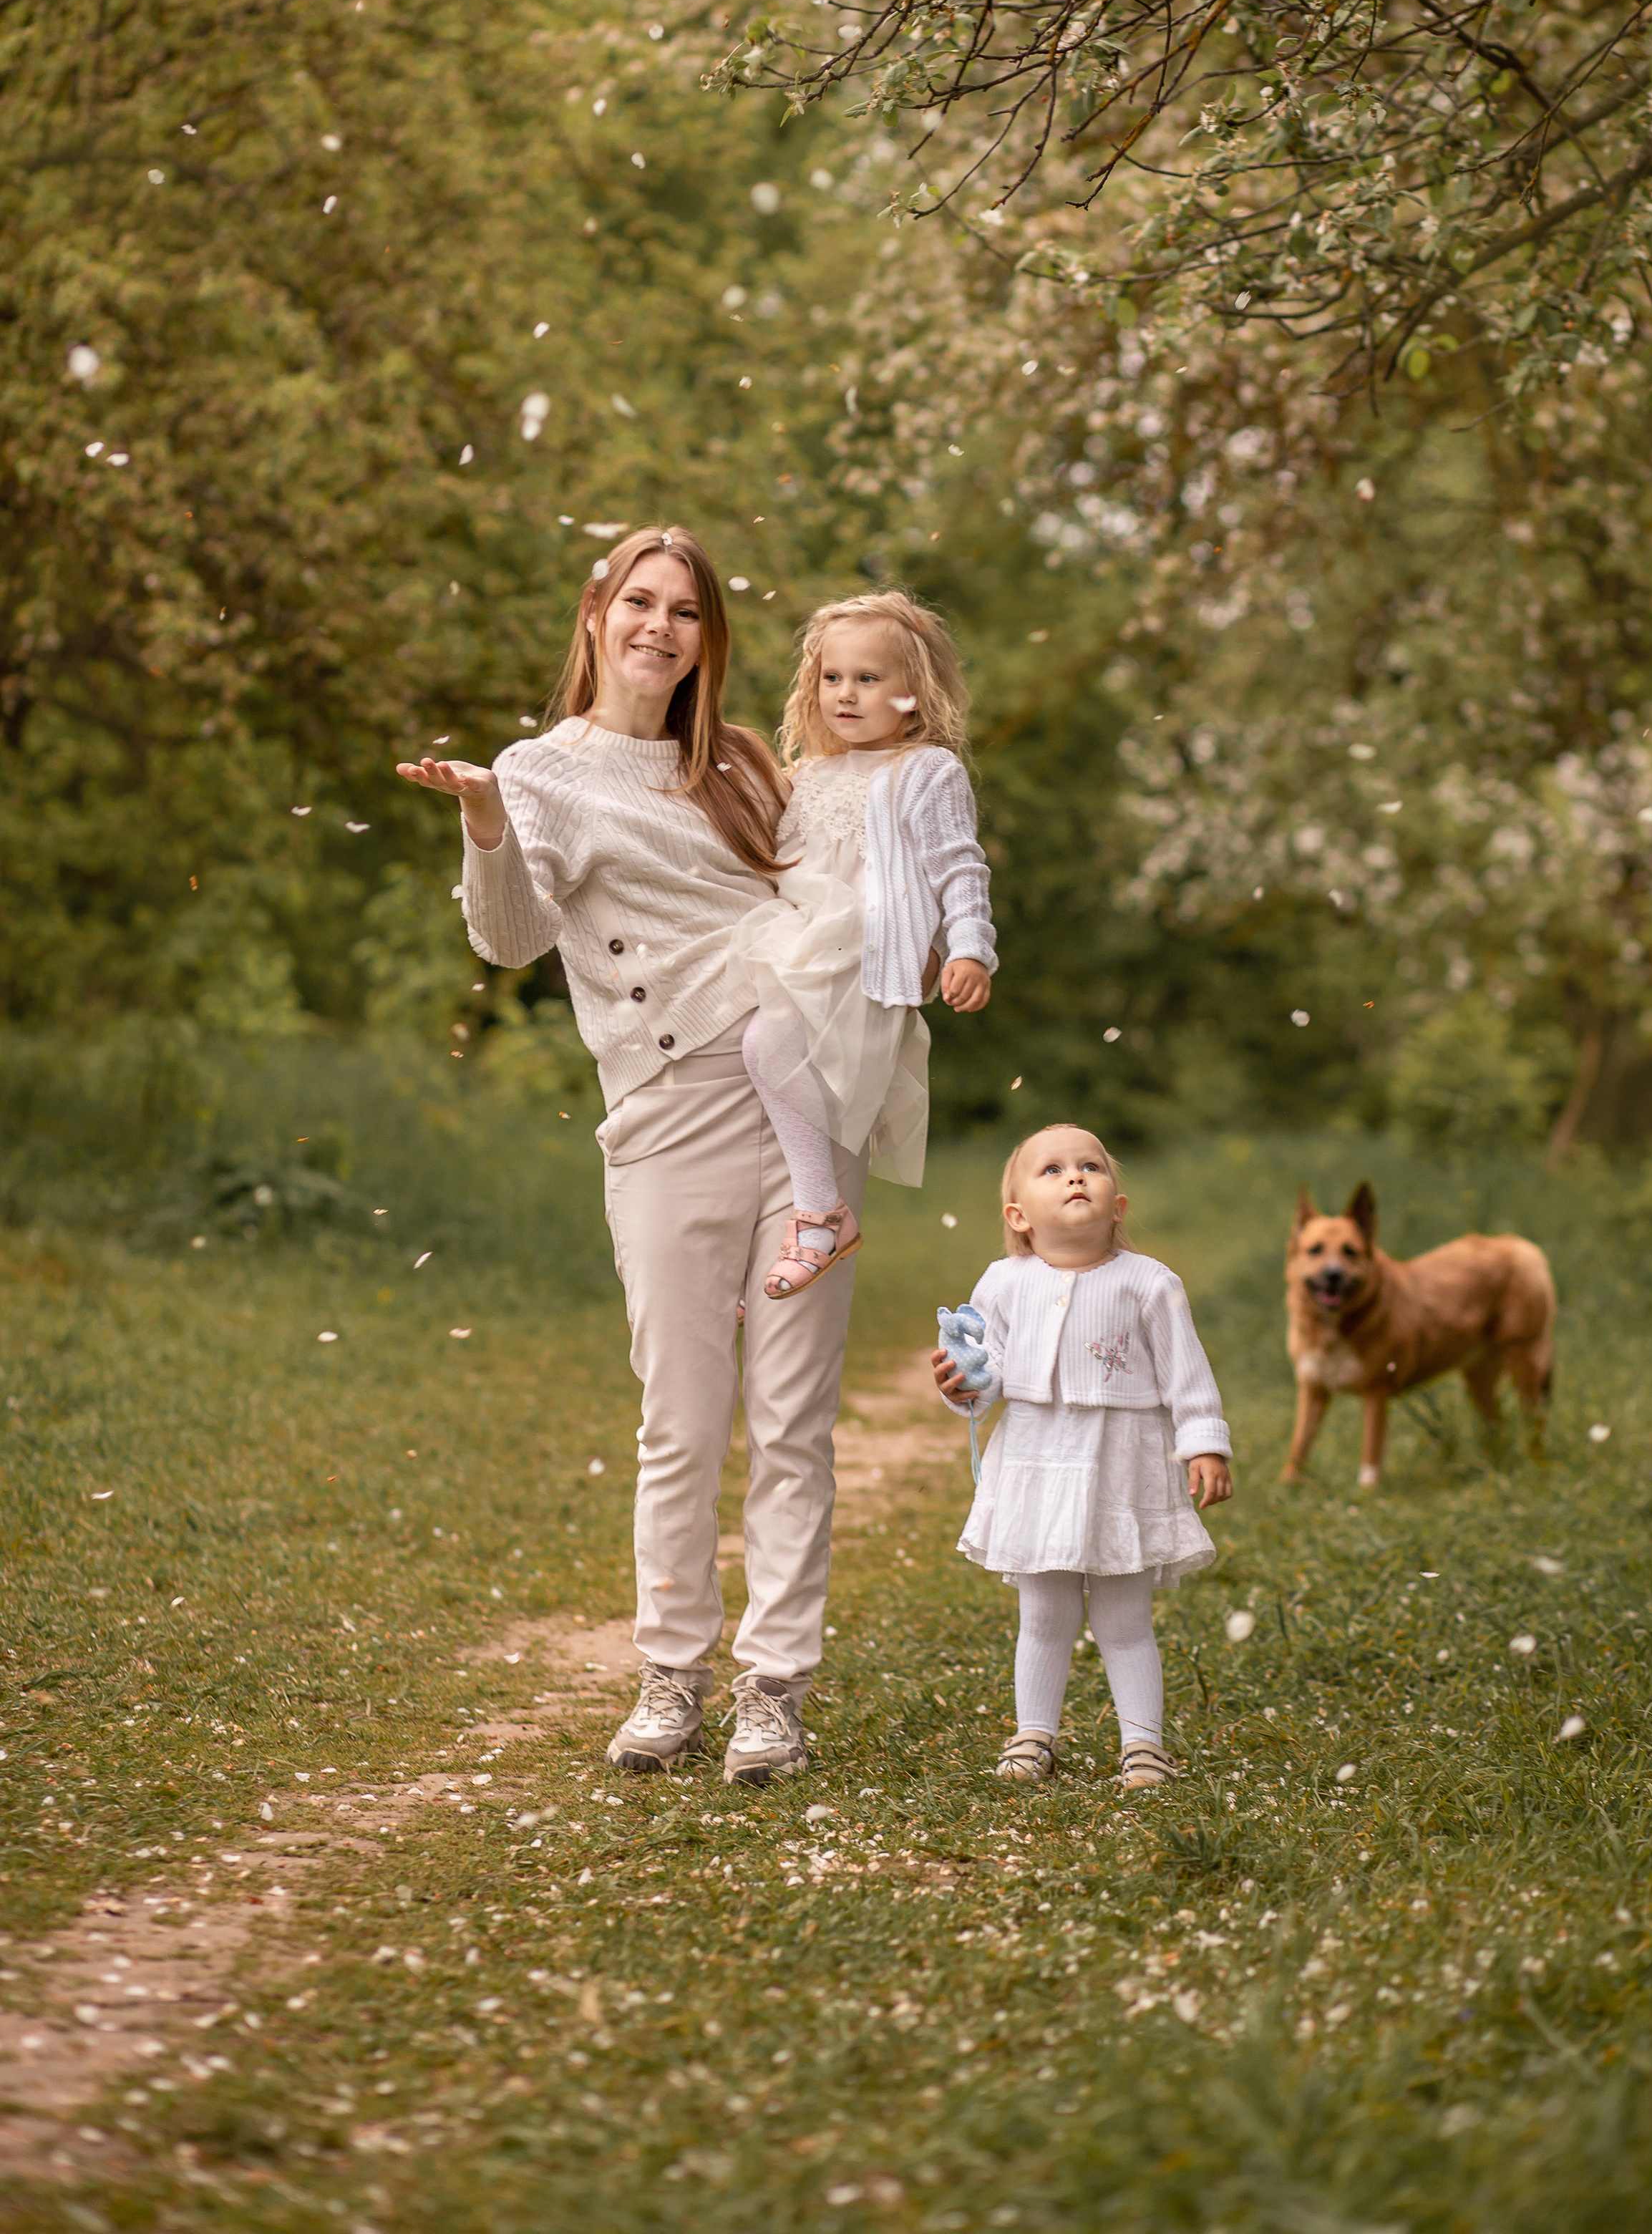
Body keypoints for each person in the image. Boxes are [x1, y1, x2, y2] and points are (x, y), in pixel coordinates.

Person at [395, 527, 860, 1788]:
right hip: (666, 1115)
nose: (661, 626)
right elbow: (508, 941)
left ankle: (775, 1691)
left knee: (795, 1420)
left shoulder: (746, 764)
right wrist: (486, 821)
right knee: (682, 1419)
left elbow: (829, 901)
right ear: (597, 613)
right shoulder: (538, 774)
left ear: (709, 639)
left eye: (687, 610)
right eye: (640, 601)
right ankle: (671, 1676)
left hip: (802, 1111)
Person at [932, 1124, 1233, 1790]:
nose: (1075, 1176)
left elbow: (1187, 1375)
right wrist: (964, 1387)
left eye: (1091, 1166)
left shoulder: (1149, 1284)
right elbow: (987, 1375)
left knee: (1124, 1620)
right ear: (1019, 1216)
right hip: (1037, 1465)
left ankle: (1144, 1746)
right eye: (1053, 1170)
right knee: (1044, 1615)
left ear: (1117, 1206)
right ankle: (1034, 1734)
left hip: (1122, 1468)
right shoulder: (1003, 1283)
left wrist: (1205, 1442)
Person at [732, 591, 997, 1299]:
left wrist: (968, 948)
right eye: (832, 678)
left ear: (913, 693)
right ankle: (731, 1251)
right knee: (745, 1057)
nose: (845, 694)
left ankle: (822, 1215)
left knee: (766, 1043)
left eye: (868, 679)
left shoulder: (925, 771)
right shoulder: (810, 774)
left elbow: (959, 867)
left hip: (869, 952)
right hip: (799, 940)